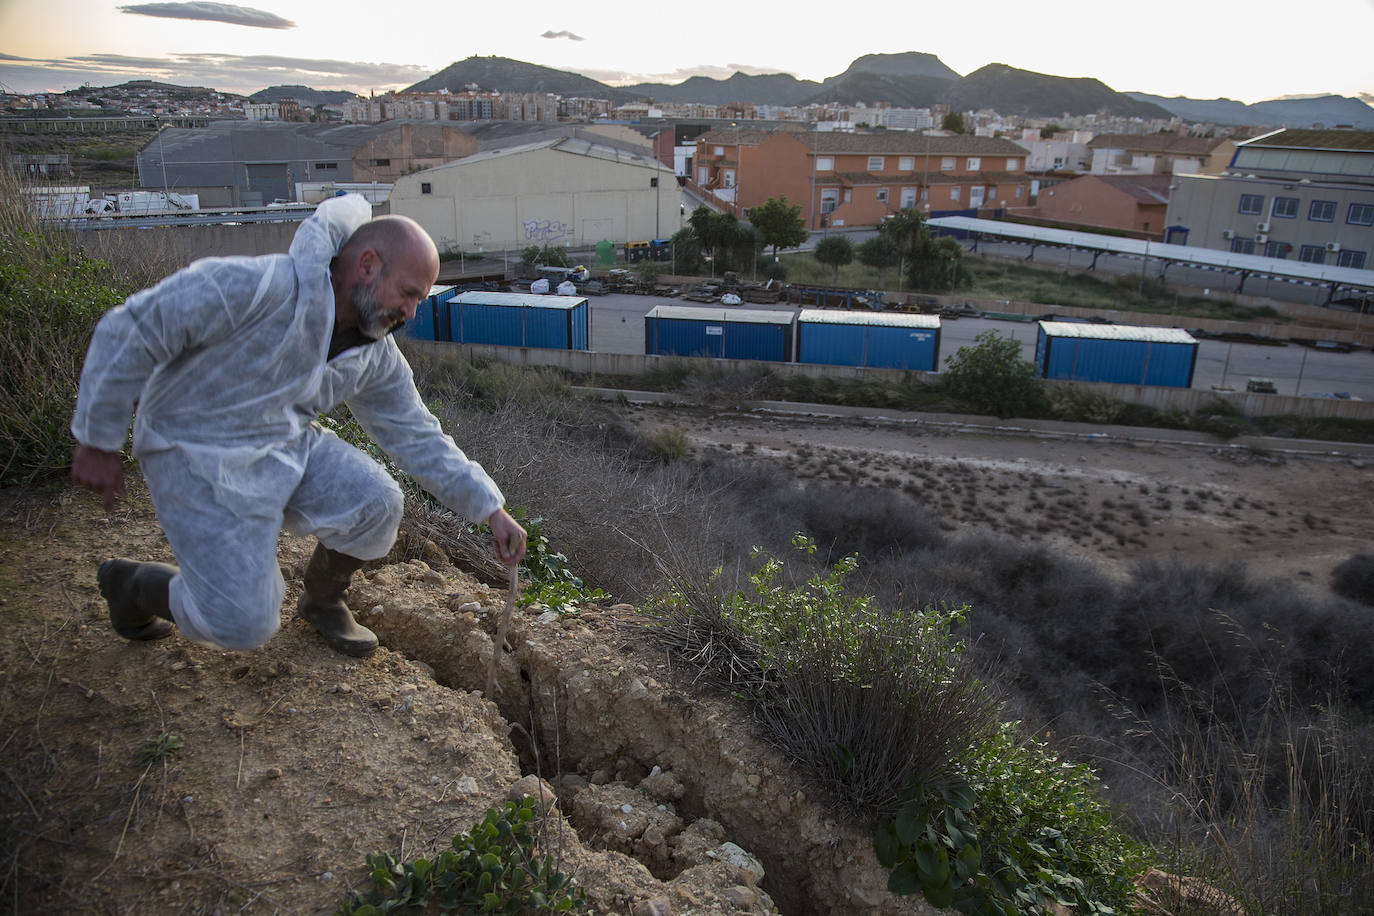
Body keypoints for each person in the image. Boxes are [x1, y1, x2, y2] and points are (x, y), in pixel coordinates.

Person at [70, 194, 526, 657]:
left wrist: (490, 508)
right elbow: (134, 328)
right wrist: (97, 437)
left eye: (419, 301)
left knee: (378, 503)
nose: (411, 313)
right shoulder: (257, 287)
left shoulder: (374, 352)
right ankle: (131, 586)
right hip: (191, 451)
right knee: (243, 623)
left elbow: (417, 434)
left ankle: (322, 600)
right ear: (367, 264)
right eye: (408, 294)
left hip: (281, 445)